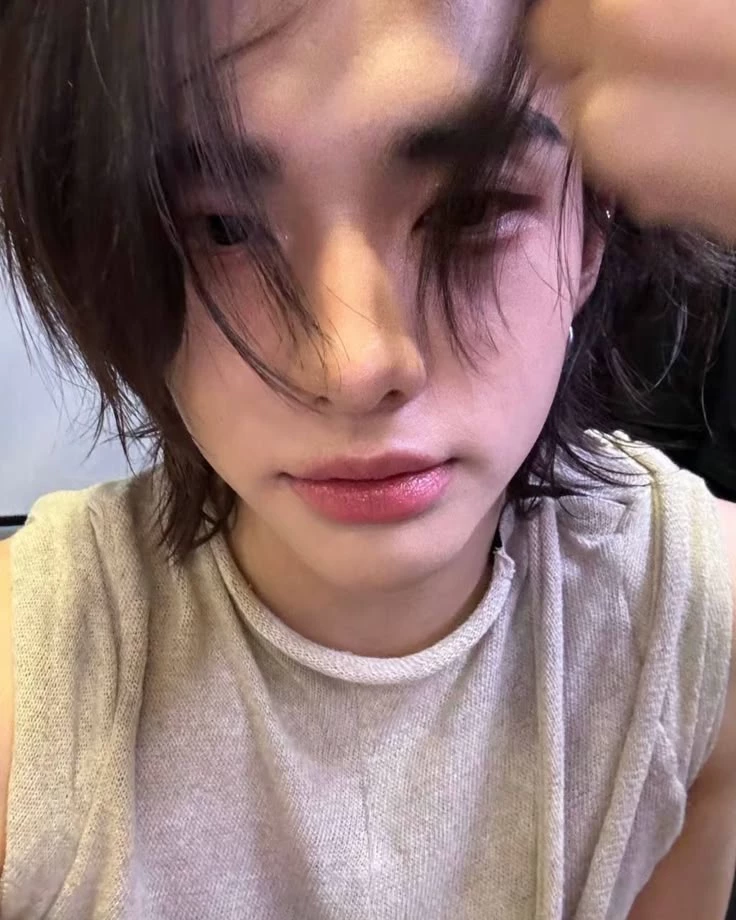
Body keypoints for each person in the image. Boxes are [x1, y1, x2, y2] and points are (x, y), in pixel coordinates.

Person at [0, 0, 736, 916]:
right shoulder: (33, 687)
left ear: (590, 232)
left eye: (472, 207)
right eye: (224, 228)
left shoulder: (694, 637)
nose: (353, 368)